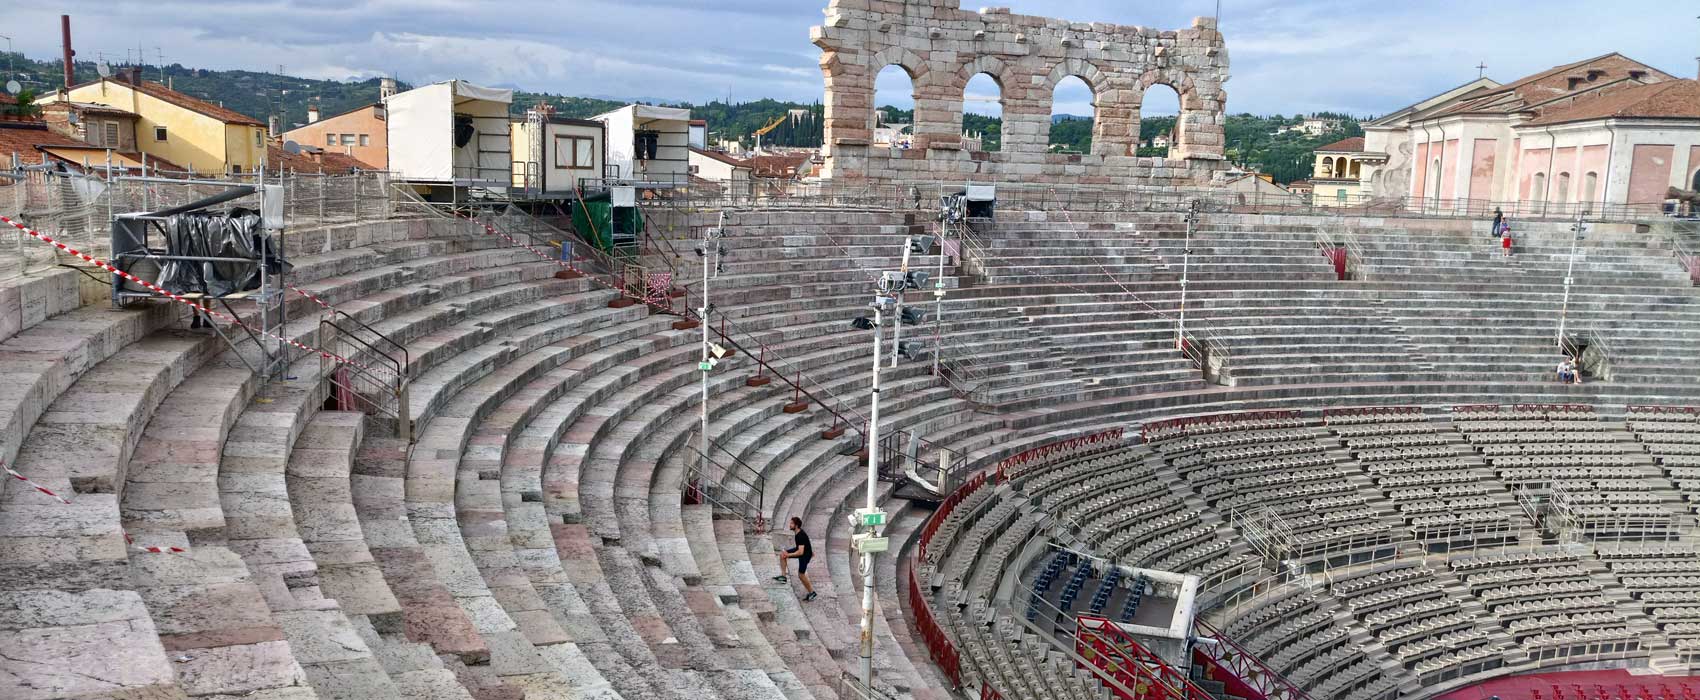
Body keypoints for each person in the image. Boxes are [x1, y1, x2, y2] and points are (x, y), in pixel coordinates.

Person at [773, 516, 816, 601]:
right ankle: (783, 577)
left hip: (805, 555)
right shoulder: (798, 533)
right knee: (783, 554)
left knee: (801, 575)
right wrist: (787, 554)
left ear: (796, 525)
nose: (790, 525)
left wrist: (788, 555)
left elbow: (800, 552)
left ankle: (812, 592)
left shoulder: (800, 535)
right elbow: (801, 547)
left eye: (792, 523)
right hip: (802, 552)